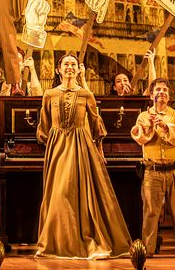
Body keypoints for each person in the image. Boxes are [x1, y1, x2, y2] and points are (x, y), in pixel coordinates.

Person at [35, 54, 131, 259]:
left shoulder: (87, 94)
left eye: (73, 64)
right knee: (58, 194)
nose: (69, 67)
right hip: (57, 146)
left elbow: (96, 124)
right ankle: (57, 242)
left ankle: (82, 240)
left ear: (79, 70)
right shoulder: (49, 94)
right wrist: (51, 142)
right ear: (58, 70)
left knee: (79, 192)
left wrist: (100, 150)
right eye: (65, 64)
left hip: (80, 147)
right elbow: (43, 126)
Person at [130, 77, 175, 258]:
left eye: (165, 90)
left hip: (174, 171)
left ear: (168, 95)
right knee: (151, 212)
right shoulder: (144, 116)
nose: (162, 93)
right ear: (151, 95)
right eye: (158, 90)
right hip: (152, 171)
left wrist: (166, 126)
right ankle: (148, 249)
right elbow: (140, 138)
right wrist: (150, 126)